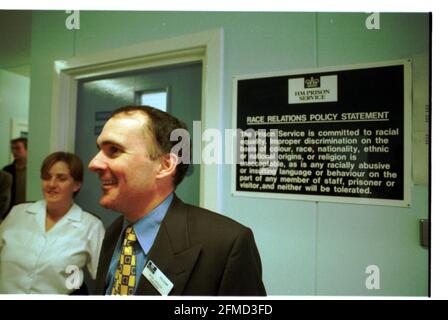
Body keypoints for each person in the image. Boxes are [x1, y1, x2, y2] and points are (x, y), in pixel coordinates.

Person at [90, 106, 266, 296]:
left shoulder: (226, 245)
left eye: (114, 150)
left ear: (164, 165)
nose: (94, 163)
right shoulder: (114, 233)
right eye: (100, 149)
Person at [0, 152, 105, 294]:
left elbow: (106, 277)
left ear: (76, 185)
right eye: (46, 177)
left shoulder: (91, 226)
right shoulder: (17, 213)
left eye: (61, 178)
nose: (51, 184)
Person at [2, 137, 28, 217]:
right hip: (10, 212)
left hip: (28, 211)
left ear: (27, 149)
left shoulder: (33, 171)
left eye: (18, 148)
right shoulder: (7, 171)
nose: (14, 151)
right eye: (12, 148)